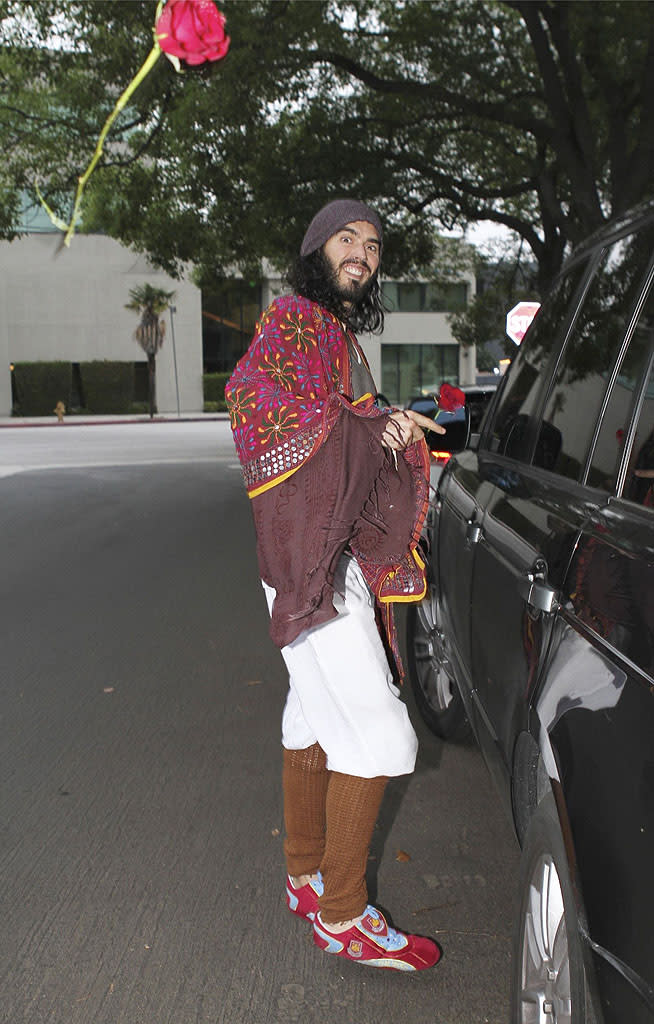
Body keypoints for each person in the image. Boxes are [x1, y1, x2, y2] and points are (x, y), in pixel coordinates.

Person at [225, 198, 444, 971]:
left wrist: (381, 422)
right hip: (315, 564)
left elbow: (334, 419)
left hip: (297, 562)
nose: (362, 253)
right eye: (345, 239)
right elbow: (257, 408)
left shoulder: (334, 333)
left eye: (373, 244)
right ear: (316, 251)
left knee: (310, 719)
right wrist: (369, 426)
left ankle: (304, 876)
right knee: (386, 735)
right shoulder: (295, 320)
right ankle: (343, 916)